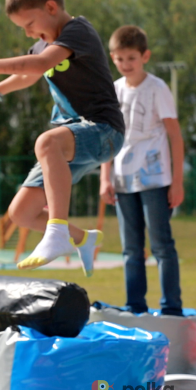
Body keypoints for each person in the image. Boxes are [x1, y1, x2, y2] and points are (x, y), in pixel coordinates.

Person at [0, 0, 125, 275]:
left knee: (46, 141)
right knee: (21, 213)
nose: (28, 33)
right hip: (74, 140)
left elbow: (40, 64)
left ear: (51, 7)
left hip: (104, 131)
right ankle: (83, 238)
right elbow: (26, 75)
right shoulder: (43, 44)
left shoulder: (77, 31)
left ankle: (57, 230)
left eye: (29, 24)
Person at [100, 26, 184, 316]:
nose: (126, 64)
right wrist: (104, 177)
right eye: (120, 59)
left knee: (161, 245)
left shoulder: (157, 88)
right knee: (131, 250)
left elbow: (175, 135)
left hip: (155, 179)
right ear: (113, 57)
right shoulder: (114, 89)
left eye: (132, 58)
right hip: (123, 181)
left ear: (145, 56)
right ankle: (135, 307)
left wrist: (176, 182)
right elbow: (108, 136)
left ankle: (171, 308)